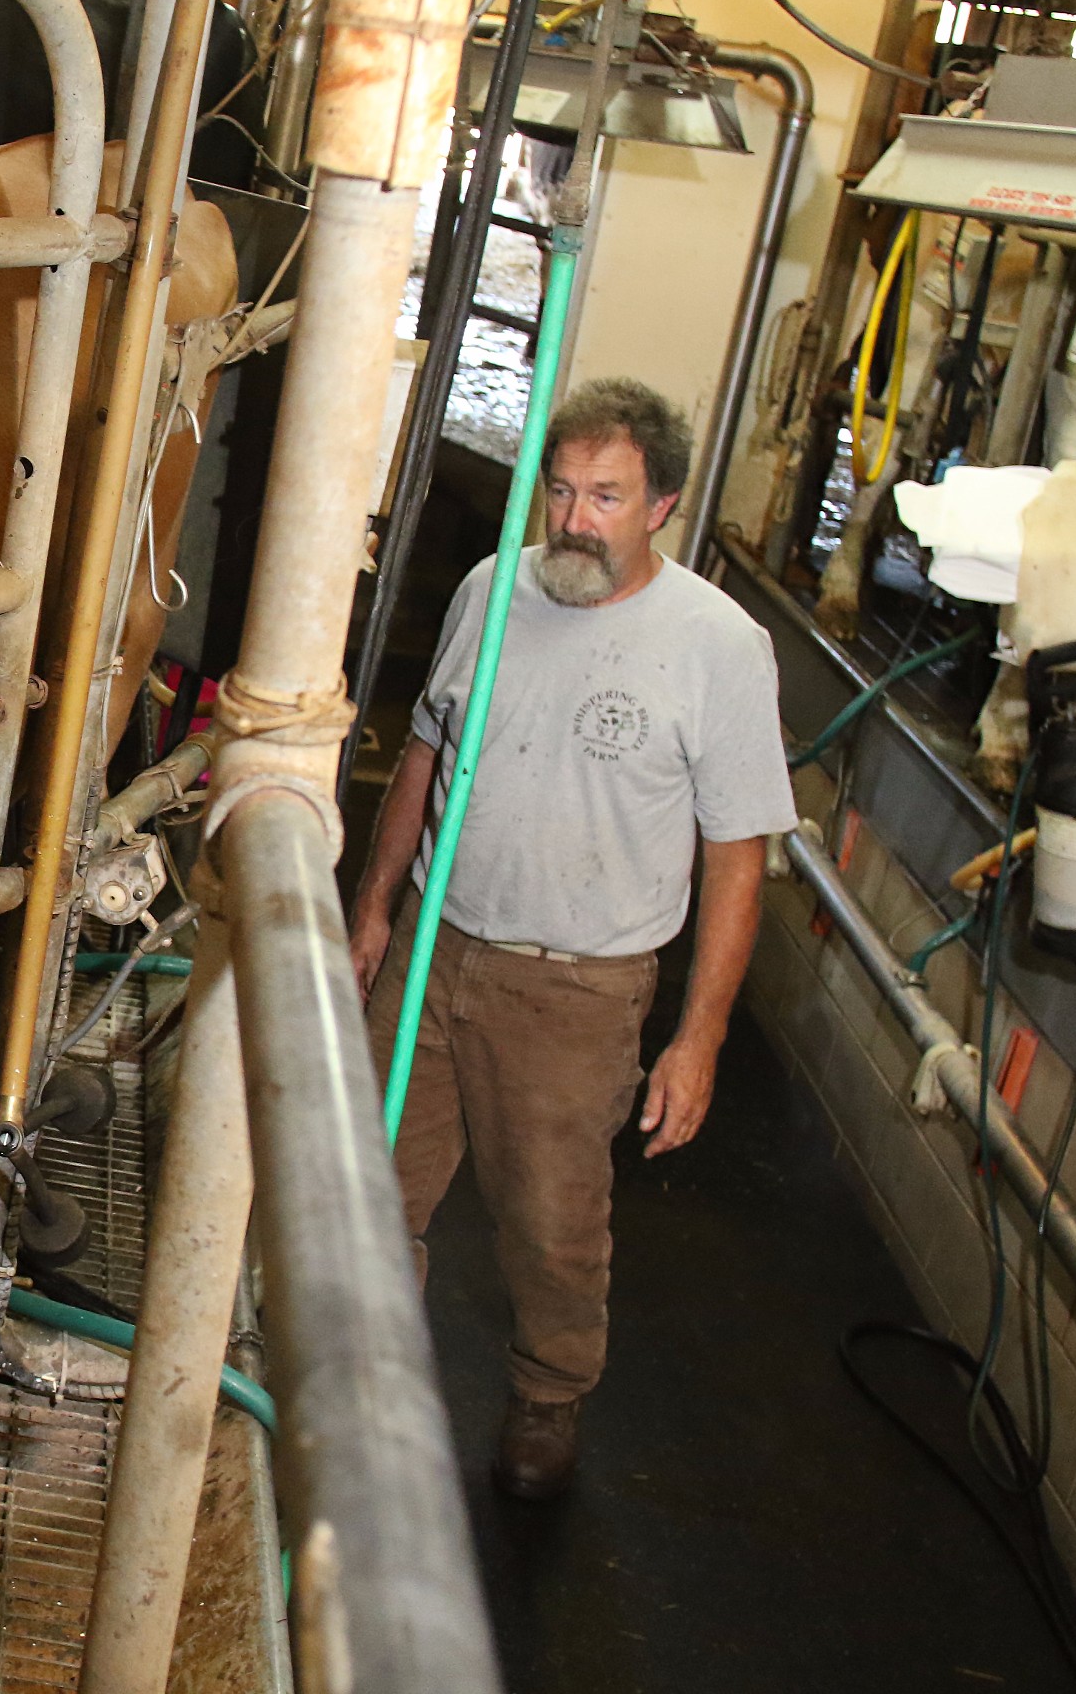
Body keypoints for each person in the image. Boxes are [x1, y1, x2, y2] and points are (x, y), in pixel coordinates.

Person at [346, 376, 796, 1501]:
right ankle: (361, 1383)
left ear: (664, 505)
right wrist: (376, 907)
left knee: (549, 1224)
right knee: (368, 1186)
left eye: (606, 497)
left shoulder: (718, 646)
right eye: (560, 490)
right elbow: (424, 754)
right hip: (435, 951)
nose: (574, 520)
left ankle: (548, 1395)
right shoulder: (492, 589)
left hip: (577, 991)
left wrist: (698, 1040)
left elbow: (738, 857)